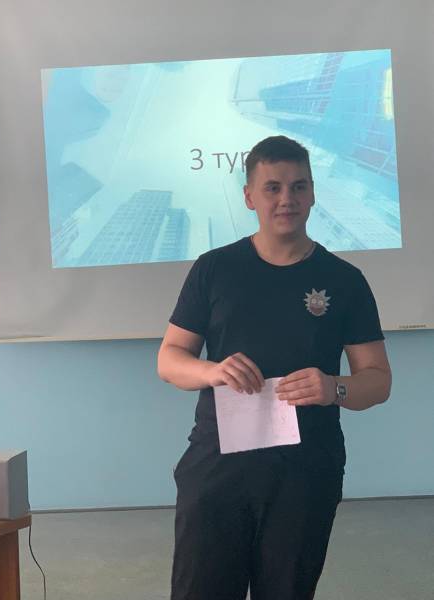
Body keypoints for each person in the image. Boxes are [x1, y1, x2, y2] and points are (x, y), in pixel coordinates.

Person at [157, 135, 392, 600]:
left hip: (305, 472)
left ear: (313, 193)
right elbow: (170, 359)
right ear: (249, 197)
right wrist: (212, 372)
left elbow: (377, 380)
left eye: (299, 186)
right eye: (273, 188)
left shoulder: (344, 280)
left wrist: (334, 387)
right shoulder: (214, 269)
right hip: (218, 466)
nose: (288, 199)